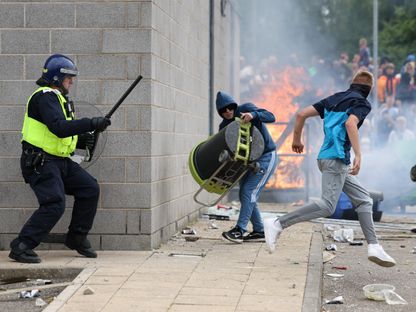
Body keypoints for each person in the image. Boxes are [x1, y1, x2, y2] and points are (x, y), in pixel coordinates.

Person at [264, 71, 396, 267]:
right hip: (336, 160)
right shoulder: (362, 102)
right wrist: (358, 154)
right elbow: (351, 123)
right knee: (327, 206)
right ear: (369, 90)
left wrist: (297, 139)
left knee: (364, 200)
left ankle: (374, 246)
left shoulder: (335, 98)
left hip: (328, 160)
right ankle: (277, 223)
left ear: (352, 84)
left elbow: (300, 114)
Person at [9, 54, 111, 263]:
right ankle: (21, 246)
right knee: (54, 203)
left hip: (59, 161)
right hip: (41, 161)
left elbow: (63, 134)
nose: (71, 82)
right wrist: (91, 123)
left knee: (89, 188)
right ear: (56, 78)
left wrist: (85, 139)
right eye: (68, 78)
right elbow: (59, 128)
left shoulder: (59, 99)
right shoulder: (45, 96)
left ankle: (76, 238)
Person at [216, 91, 278, 243]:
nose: (228, 111)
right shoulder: (224, 126)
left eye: (230, 107)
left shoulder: (246, 109)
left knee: (249, 191)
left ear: (234, 106)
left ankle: (240, 230)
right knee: (245, 194)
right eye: (223, 110)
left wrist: (253, 115)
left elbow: (271, 116)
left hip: (266, 157)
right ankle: (259, 231)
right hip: (247, 163)